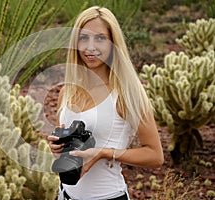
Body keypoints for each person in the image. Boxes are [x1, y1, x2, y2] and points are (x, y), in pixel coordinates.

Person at [47, 6, 164, 200]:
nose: (90, 47)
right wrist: (57, 148)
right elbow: (69, 151)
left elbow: (155, 155)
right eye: (84, 38)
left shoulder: (127, 94)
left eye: (100, 38)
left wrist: (104, 153)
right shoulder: (67, 91)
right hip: (65, 195)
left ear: (113, 43)